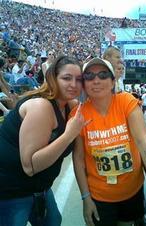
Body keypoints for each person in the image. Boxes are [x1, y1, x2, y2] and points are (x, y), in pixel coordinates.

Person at [71, 58, 146, 226]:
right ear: (84, 84)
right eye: (89, 76)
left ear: (112, 81)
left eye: (103, 75)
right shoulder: (77, 115)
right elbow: (78, 160)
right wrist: (85, 198)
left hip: (132, 192)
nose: (96, 80)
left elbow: (144, 142)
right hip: (99, 196)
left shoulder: (126, 102)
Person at [0, 55, 86, 226]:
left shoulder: (69, 105)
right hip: (11, 191)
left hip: (40, 190)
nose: (74, 84)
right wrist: (68, 135)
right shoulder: (41, 106)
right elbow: (30, 167)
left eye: (79, 79)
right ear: (53, 78)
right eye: (66, 78)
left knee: (53, 221)